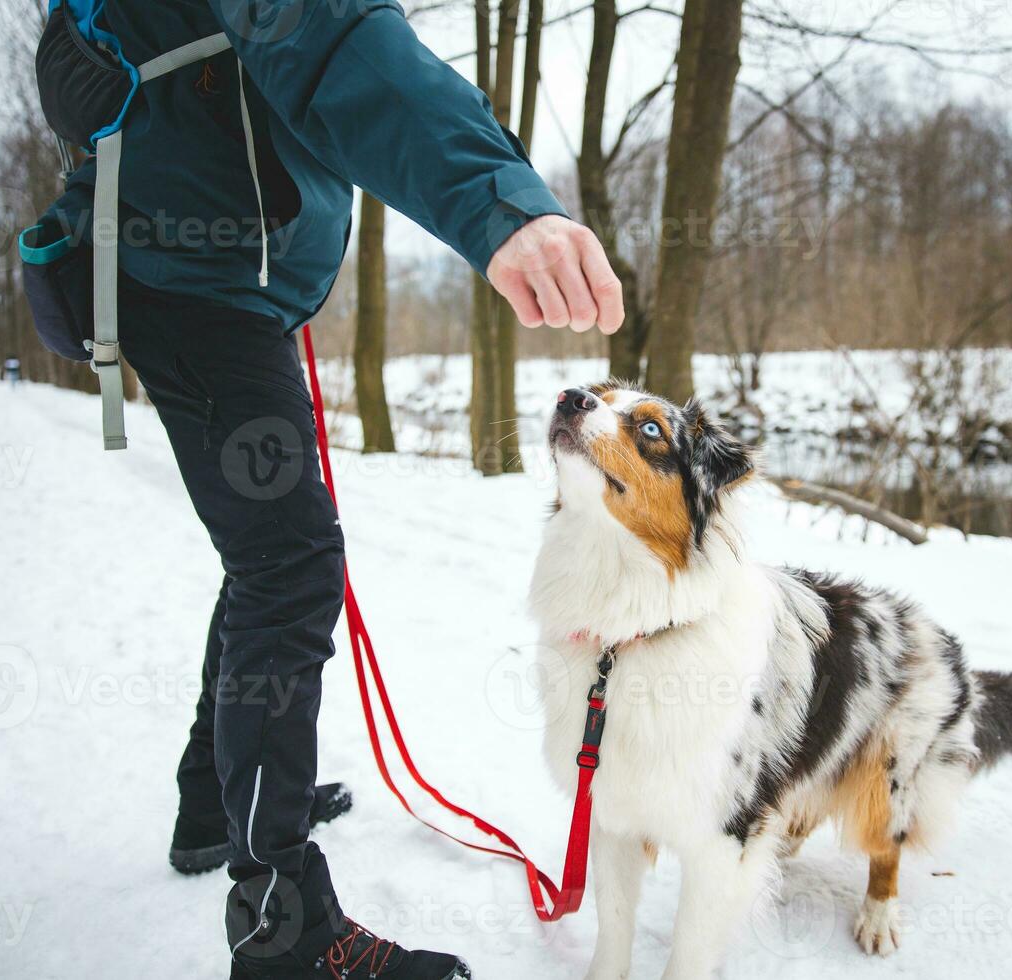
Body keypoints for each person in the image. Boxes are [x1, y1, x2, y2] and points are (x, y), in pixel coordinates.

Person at [38, 3, 623, 978]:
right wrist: (500, 201)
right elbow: (337, 43)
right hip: (199, 285)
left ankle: (211, 806)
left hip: (212, 279)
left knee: (267, 557)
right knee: (288, 563)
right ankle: (284, 929)